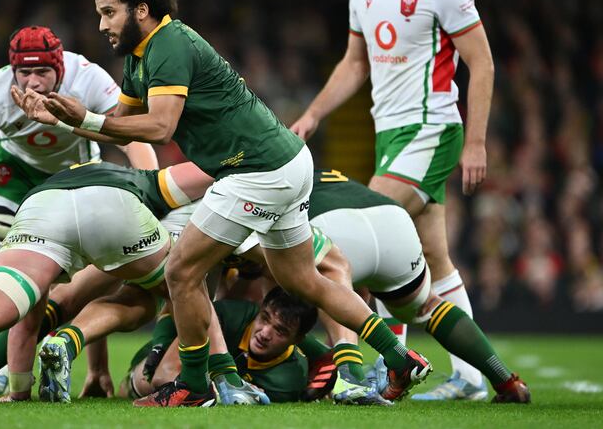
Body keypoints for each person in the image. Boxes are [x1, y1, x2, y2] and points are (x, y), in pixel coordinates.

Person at [12, 0, 432, 407]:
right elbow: (121, 125)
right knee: (303, 279)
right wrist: (64, 119)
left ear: (141, 9)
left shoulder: (169, 42)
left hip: (257, 170)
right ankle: (399, 356)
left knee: (180, 271)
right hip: (284, 162)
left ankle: (193, 387)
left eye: (109, 12)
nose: (102, 25)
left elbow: (159, 128)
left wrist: (88, 119)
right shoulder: (140, 60)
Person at [290, 0, 495, 400]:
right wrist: (315, 113)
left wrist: (476, 142)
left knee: (372, 232)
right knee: (434, 258)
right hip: (389, 133)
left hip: (432, 129)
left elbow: (483, 63)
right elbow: (355, 63)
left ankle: (391, 368)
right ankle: (471, 379)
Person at [0, 160, 208, 404]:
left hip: (41, 205)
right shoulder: (154, 178)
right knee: (172, 292)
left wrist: (19, 393)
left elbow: (28, 320)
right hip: (116, 209)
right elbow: (208, 173)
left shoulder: (76, 171)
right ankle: (223, 378)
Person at [0, 25, 157, 394]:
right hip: (14, 170)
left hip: (71, 171)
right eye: (24, 73)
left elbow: (130, 136)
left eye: (42, 72)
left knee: (85, 272)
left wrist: (151, 190)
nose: (33, 83)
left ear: (60, 68)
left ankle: (96, 369)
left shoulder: (89, 79)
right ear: (12, 71)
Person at [225, 170, 530, 404]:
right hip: (392, 220)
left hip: (332, 226)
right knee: (427, 306)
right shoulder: (318, 173)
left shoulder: (265, 185)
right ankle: (507, 382)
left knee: (325, 286)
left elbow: (264, 291)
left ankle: (351, 377)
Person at [129, 287, 323, 403]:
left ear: (298, 340)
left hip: (196, 380)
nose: (264, 333)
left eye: (280, 331)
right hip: (151, 363)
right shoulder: (232, 314)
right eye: (264, 318)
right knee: (152, 381)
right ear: (259, 309)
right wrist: (160, 342)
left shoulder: (288, 380)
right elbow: (183, 308)